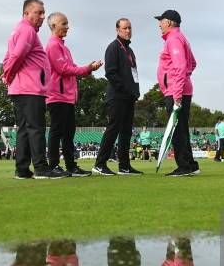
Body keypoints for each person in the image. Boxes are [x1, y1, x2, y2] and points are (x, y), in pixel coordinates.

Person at [2, 0, 64, 179]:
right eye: (39, 12)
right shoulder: (28, 30)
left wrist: (8, 74)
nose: (42, 16)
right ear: (26, 13)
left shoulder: (18, 30)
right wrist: (8, 74)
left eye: (43, 13)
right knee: (36, 128)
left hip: (20, 88)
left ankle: (21, 169)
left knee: (23, 129)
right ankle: (41, 168)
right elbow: (17, 55)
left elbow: (9, 56)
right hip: (30, 88)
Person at [45, 12, 102, 177]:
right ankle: (54, 165)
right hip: (57, 95)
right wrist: (87, 69)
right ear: (54, 25)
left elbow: (72, 67)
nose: (67, 27)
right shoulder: (52, 46)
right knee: (57, 131)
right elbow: (63, 69)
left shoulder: (64, 48)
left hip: (67, 97)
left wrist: (88, 69)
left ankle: (71, 166)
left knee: (69, 133)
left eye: (67, 23)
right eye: (64, 23)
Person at [93, 18, 143, 176]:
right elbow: (110, 73)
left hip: (129, 97)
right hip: (117, 97)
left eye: (130, 27)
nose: (128, 31)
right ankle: (100, 164)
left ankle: (124, 166)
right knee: (113, 129)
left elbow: (133, 74)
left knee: (127, 131)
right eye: (125, 28)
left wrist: (135, 91)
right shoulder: (113, 47)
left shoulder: (130, 50)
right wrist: (125, 89)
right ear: (117, 30)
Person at [155, 10, 200, 176]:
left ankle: (184, 167)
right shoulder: (181, 38)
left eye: (161, 21)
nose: (159, 25)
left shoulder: (173, 39)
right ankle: (191, 164)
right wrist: (184, 78)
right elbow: (192, 64)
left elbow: (181, 66)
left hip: (175, 91)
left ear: (169, 22)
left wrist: (176, 92)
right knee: (182, 128)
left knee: (176, 129)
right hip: (181, 88)